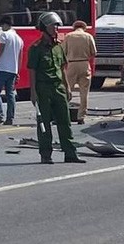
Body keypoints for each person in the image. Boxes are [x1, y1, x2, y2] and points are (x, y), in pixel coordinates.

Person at [28, 12, 86, 164]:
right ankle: (46, 155)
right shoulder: (36, 48)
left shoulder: (59, 47)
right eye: (53, 26)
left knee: (65, 122)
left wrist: (67, 88)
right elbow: (32, 71)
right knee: (44, 123)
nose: (56, 29)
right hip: (43, 89)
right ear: (44, 28)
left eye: (57, 26)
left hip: (58, 88)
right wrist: (33, 92)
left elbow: (63, 68)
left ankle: (70, 154)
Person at [0, 15, 24, 126]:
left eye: (2, 25)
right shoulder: (19, 39)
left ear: (5, 24)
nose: (1, 27)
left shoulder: (4, 35)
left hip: (2, 68)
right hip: (13, 70)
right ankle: (10, 118)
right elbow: (20, 57)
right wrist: (17, 71)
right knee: (10, 94)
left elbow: (0, 49)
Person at [62, 20, 97, 124]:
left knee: (67, 91)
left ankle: (64, 115)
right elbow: (94, 52)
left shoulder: (68, 36)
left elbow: (63, 52)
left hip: (72, 64)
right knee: (84, 93)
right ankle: (81, 117)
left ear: (74, 27)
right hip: (84, 64)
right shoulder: (88, 36)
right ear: (84, 27)